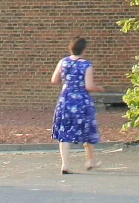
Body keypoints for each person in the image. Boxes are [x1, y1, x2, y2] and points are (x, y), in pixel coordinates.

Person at [51, 35, 101, 173]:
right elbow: (89, 86)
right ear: (83, 50)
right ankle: (90, 161)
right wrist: (98, 88)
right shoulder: (86, 65)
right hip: (81, 100)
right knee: (87, 128)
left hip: (65, 99)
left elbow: (54, 80)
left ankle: (65, 164)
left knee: (64, 132)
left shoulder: (63, 62)